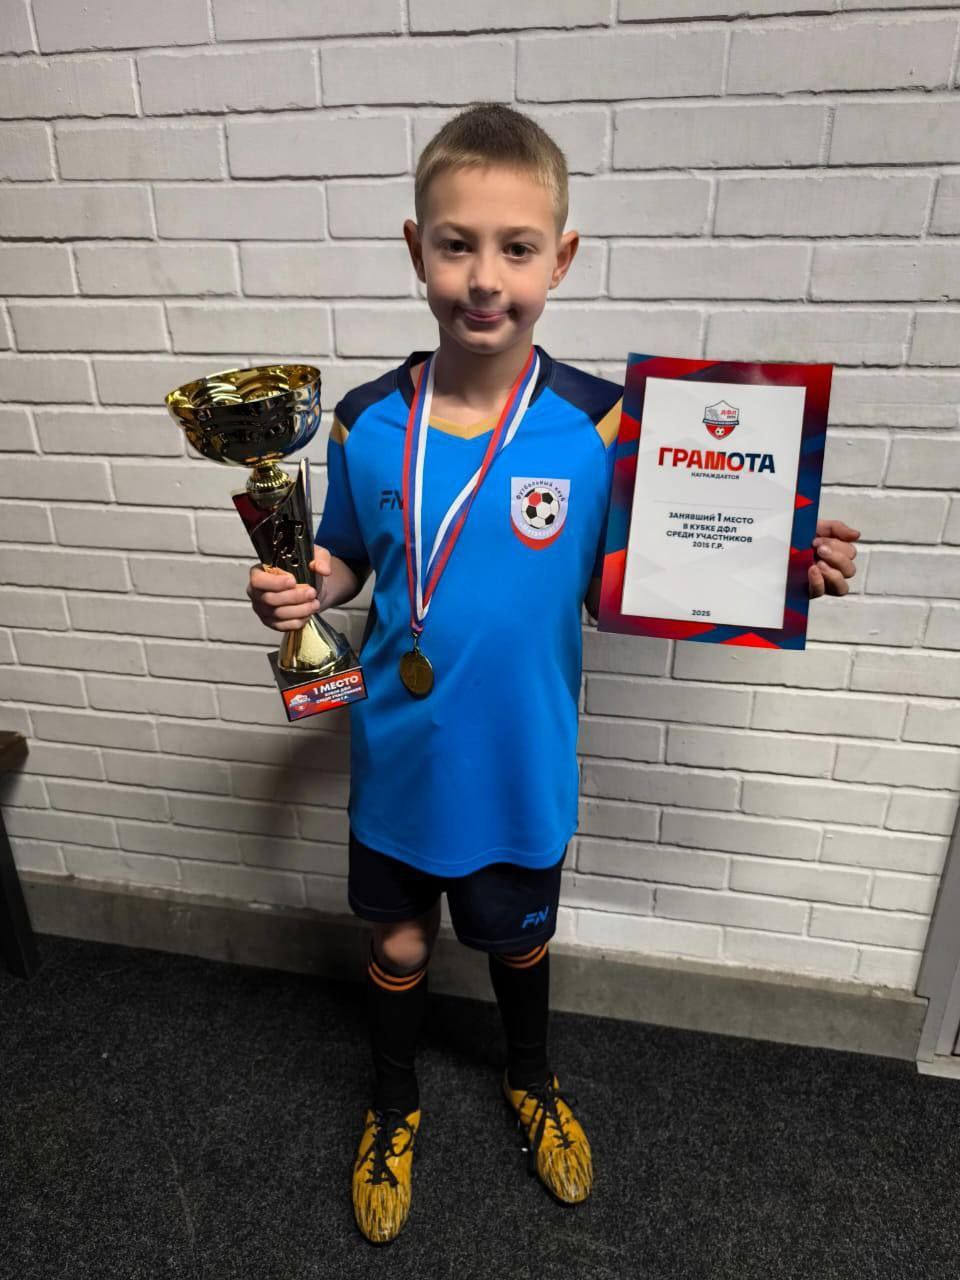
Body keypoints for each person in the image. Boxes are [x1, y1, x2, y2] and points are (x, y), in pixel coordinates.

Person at [246, 103, 860, 1245]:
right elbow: (348, 557)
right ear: (416, 247)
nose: (485, 277)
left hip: (523, 761)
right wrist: (303, 584)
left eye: (516, 248)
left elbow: (665, 561)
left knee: (517, 939)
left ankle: (531, 1078)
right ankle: (393, 1103)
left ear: (560, 259)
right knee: (398, 942)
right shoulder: (366, 420)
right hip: (398, 757)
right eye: (457, 244)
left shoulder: (605, 429)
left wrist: (784, 565)